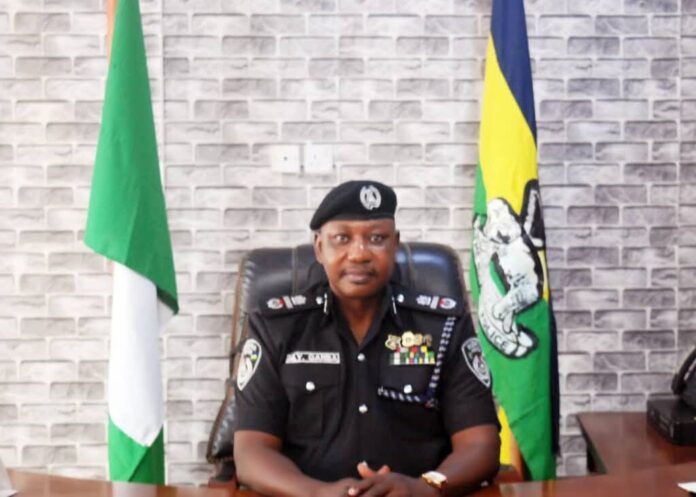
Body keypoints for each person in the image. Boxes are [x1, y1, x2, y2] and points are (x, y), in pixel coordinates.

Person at [233, 181, 500, 497]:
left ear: (395, 245)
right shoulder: (276, 327)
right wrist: (317, 493)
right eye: (342, 238)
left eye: (376, 238)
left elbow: (480, 444)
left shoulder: (443, 326)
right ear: (319, 247)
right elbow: (251, 451)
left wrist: (424, 486)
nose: (359, 254)